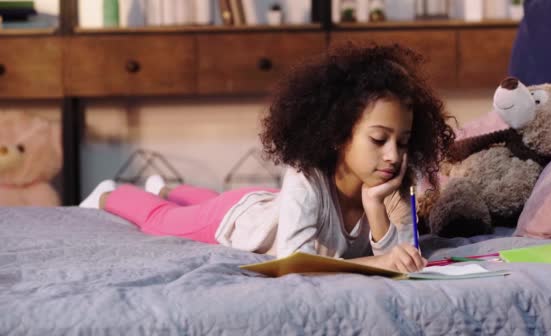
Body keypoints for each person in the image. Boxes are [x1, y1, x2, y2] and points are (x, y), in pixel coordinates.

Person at [80, 43, 455, 273]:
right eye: (378, 139)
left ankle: (166, 187)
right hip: (239, 219)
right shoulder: (305, 177)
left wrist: (376, 205)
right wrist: (375, 262)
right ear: (340, 134)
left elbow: (401, 262)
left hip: (270, 205)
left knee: (220, 198)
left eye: (403, 142)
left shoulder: (390, 182)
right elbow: (296, 262)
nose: (393, 155)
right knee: (161, 219)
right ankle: (109, 192)